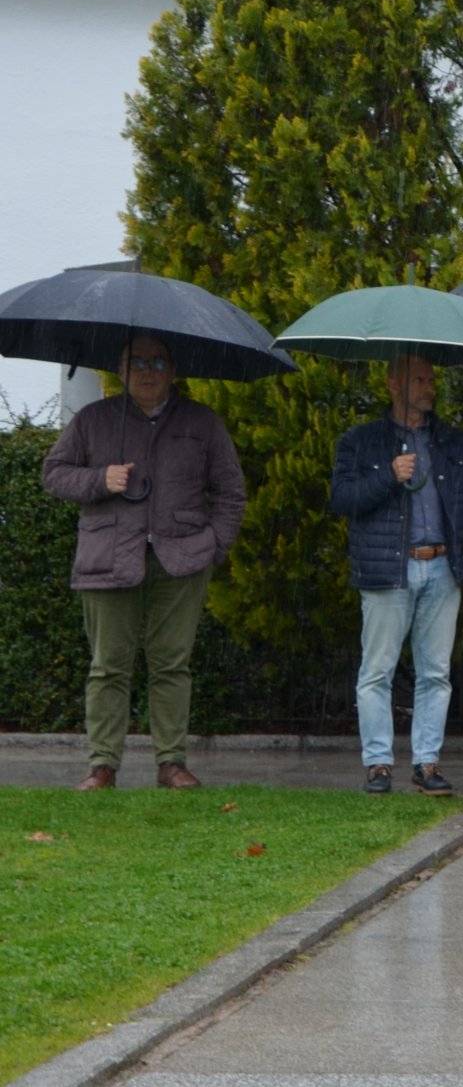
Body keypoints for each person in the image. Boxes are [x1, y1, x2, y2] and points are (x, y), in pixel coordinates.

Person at [42, 334, 245, 790]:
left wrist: (214, 546)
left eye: (158, 362)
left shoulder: (203, 422)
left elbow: (231, 492)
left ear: (173, 370)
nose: (148, 371)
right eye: (137, 362)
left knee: (172, 664)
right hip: (108, 557)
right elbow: (53, 473)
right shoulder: (93, 420)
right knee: (108, 665)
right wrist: (99, 479)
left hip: (182, 561)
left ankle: (171, 762)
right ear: (121, 369)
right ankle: (102, 765)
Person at [326, 352, 463, 796]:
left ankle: (426, 763)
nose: (430, 387)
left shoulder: (451, 442)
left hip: (443, 566)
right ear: (392, 384)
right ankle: (378, 764)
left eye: (431, 379)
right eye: (420, 379)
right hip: (389, 567)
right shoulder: (361, 441)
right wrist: (389, 475)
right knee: (377, 671)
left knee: (436, 672)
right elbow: (343, 500)